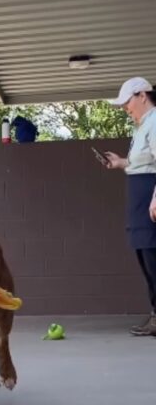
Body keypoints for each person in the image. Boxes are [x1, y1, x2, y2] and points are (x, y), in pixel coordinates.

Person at [105, 76, 156, 336]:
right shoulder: (142, 126)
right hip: (139, 196)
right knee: (145, 254)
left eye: (127, 101)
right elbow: (143, 162)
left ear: (142, 95)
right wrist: (121, 163)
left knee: (152, 254)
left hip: (150, 196)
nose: (125, 107)